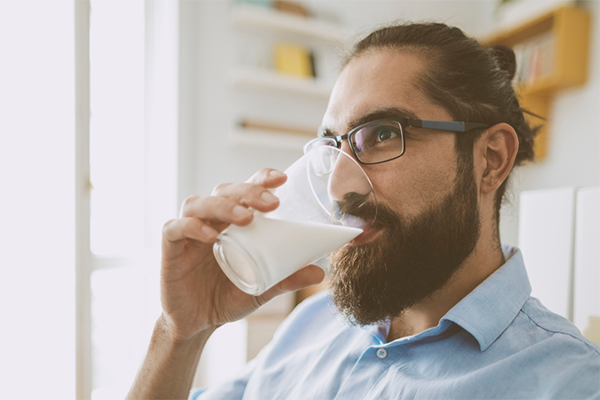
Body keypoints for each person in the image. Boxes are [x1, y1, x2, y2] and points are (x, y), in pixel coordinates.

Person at [126, 22, 600, 400]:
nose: (337, 185)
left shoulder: (570, 383)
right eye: (332, 146)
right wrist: (180, 334)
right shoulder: (310, 328)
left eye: (382, 134)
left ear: (490, 159)